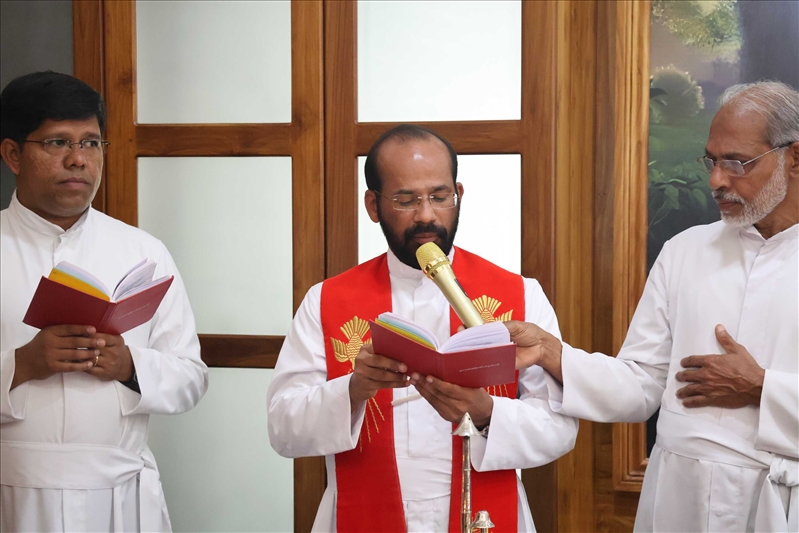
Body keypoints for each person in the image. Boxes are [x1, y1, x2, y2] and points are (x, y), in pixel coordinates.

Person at [505, 81, 799, 532]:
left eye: (736, 163)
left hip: (778, 501)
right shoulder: (685, 251)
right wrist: (551, 352)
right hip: (679, 495)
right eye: (712, 161)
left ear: (794, 157)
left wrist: (762, 387)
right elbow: (641, 383)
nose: (716, 180)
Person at [267, 124, 577, 532]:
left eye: (439, 196)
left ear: (458, 195)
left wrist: (486, 413)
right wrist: (354, 390)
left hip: (483, 513)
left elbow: (558, 428)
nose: (427, 215)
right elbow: (283, 428)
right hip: (366, 509)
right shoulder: (326, 300)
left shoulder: (519, 294)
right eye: (406, 200)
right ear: (373, 205)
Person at [0, 71, 208, 532]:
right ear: (13, 154)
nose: (78, 159)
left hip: (119, 498)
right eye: (57, 142)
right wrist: (22, 365)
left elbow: (191, 377)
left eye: (91, 143)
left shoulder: (143, 252)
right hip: (13, 495)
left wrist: (130, 366)